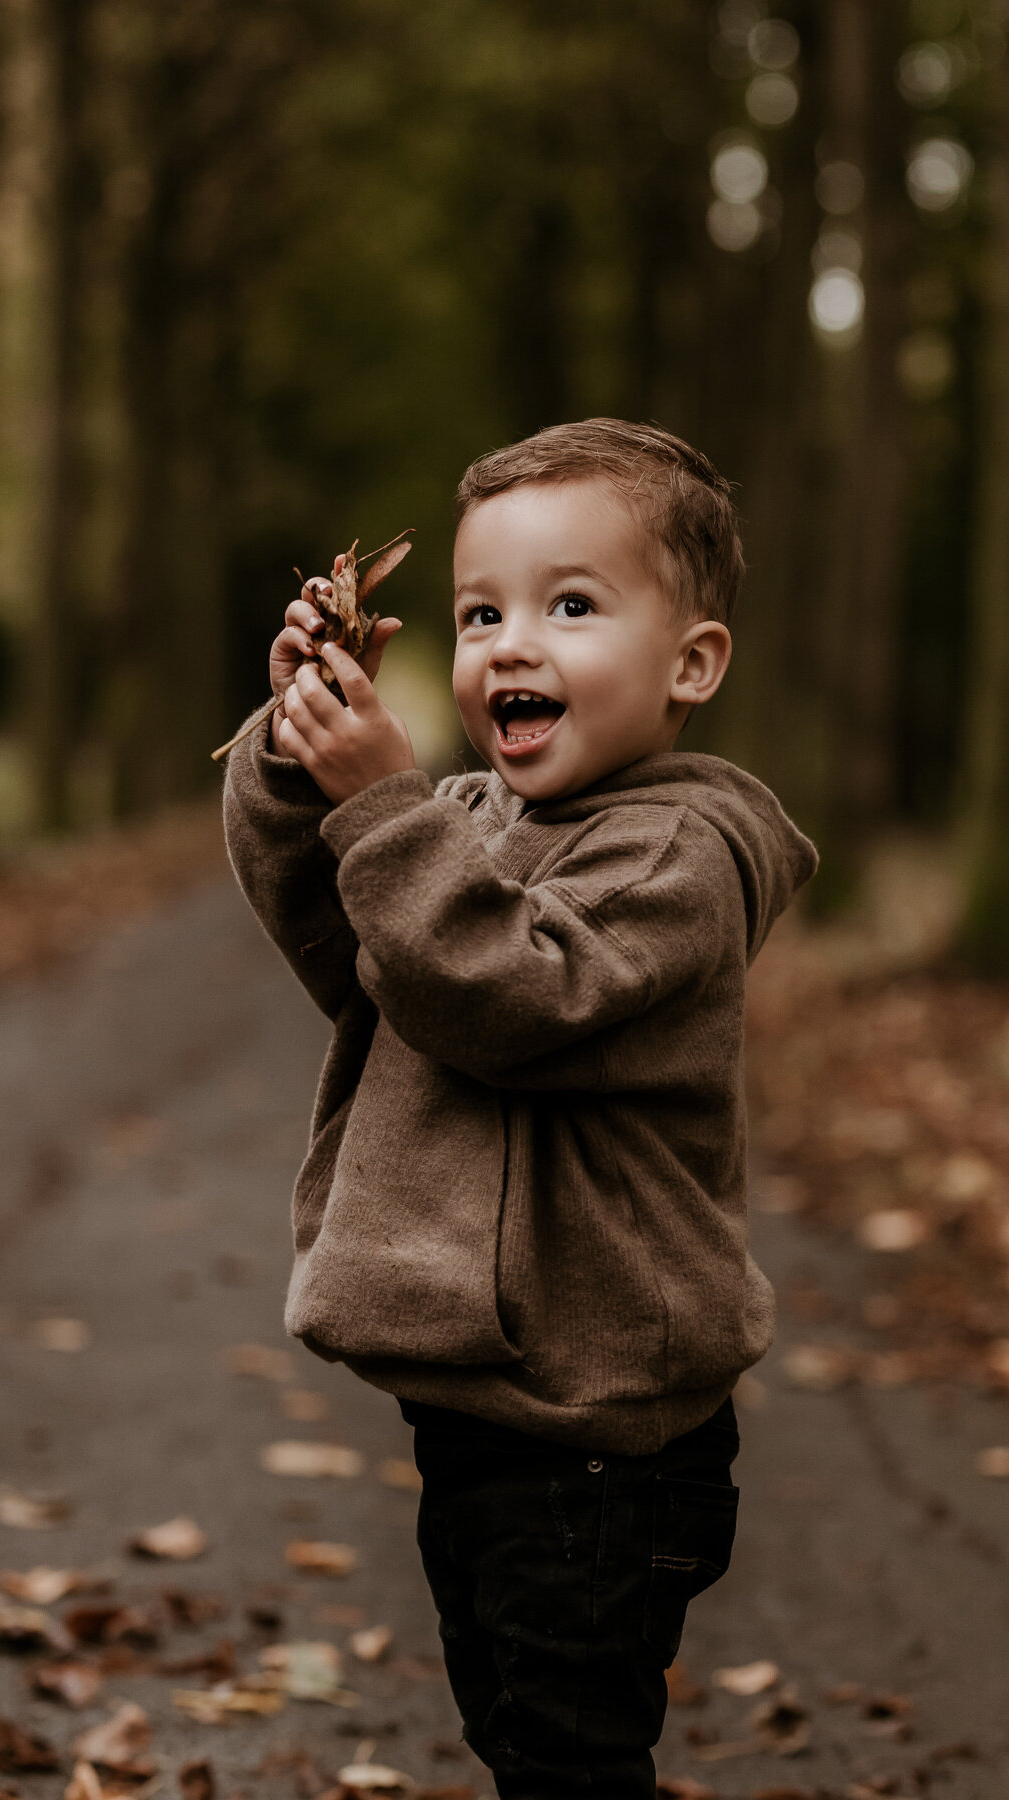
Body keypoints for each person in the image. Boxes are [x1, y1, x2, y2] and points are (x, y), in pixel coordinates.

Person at [223, 418, 818, 1799]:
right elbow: (366, 963)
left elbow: (511, 990)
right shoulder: (474, 823)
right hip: (492, 1407)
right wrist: (296, 759)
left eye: (570, 605)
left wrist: (389, 814)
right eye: (481, 612)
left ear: (693, 663)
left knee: (567, 1749)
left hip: (606, 1436)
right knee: (515, 1725)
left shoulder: (683, 853)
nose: (511, 644)